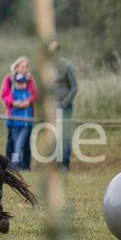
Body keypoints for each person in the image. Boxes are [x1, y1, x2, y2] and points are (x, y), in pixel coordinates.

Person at [1, 56, 37, 170]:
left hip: (26, 119)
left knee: (22, 143)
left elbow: (34, 93)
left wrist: (28, 101)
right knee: (14, 142)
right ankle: (13, 163)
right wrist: (13, 102)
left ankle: (23, 164)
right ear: (16, 67)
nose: (25, 69)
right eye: (22, 67)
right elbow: (4, 94)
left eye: (26, 67)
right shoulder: (9, 79)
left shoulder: (29, 79)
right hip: (14, 117)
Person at [48, 41, 78, 170]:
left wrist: (63, 103)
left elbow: (74, 88)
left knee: (64, 136)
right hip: (51, 108)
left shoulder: (67, 66)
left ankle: (65, 164)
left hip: (64, 107)